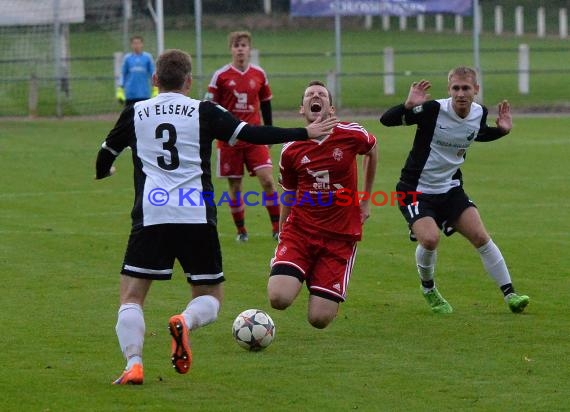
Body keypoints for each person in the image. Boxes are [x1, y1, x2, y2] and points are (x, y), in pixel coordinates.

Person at [95, 49, 337, 385]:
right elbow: (252, 134)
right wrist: (304, 133)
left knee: (132, 297)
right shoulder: (203, 111)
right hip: (196, 215)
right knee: (209, 295)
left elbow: (106, 153)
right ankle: (184, 320)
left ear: (155, 80)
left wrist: (105, 170)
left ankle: (134, 364)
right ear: (189, 81)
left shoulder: (135, 111)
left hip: (151, 215)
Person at [379, 66, 529, 314]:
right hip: (415, 189)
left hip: (450, 188)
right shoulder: (433, 109)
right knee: (430, 239)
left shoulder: (479, 112)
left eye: (466, 88)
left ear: (476, 90)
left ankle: (511, 294)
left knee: (481, 237)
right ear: (449, 90)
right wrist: (407, 106)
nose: (461, 93)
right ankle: (428, 289)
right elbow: (386, 121)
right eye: (456, 88)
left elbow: (475, 134)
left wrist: (501, 131)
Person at [267, 80, 378, 329]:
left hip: (340, 237)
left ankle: (315, 278)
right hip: (300, 232)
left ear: (331, 109)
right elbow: (289, 194)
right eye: (309, 95)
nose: (315, 96)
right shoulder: (291, 149)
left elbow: (372, 150)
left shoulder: (351, 134)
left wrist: (366, 199)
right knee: (278, 298)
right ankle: (295, 267)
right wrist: (282, 232)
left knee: (319, 319)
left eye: (321, 94)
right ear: (302, 109)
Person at [205, 31, 279, 242]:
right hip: (230, 140)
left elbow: (266, 104)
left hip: (255, 136)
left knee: (267, 180)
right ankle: (241, 231)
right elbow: (211, 107)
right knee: (235, 186)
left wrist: (270, 132)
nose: (240, 48)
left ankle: (277, 228)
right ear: (231, 49)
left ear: (249, 49)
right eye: (236, 45)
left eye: (244, 45)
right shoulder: (221, 76)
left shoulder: (259, 74)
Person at [116, 36, 156, 106]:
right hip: (130, 94)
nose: (136, 45)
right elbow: (123, 74)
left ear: (142, 44)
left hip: (144, 94)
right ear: (131, 45)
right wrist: (120, 88)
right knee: (130, 116)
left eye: (138, 43)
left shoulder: (148, 57)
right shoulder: (127, 58)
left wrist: (155, 88)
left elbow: (153, 74)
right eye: (134, 43)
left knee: (144, 116)